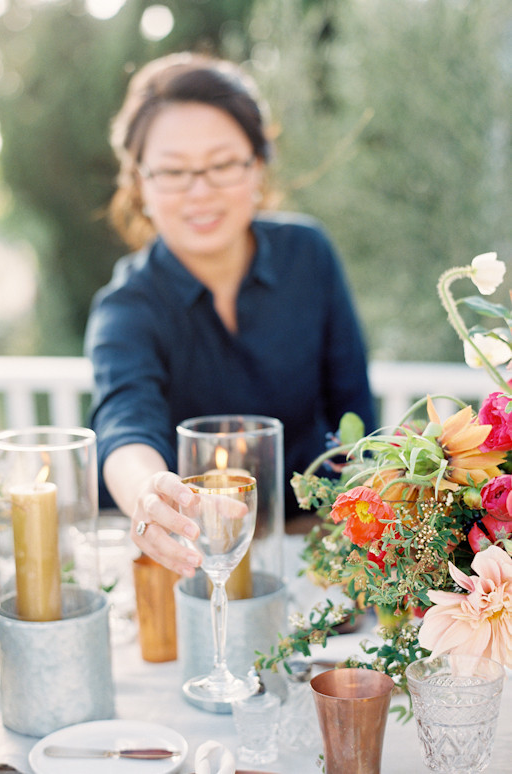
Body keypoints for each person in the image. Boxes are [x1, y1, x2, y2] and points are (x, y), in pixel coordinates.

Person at [84, 52, 375, 579]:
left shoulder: (308, 255)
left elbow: (355, 416)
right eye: (173, 171)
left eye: (222, 165)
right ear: (140, 184)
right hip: (193, 560)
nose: (201, 190)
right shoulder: (126, 306)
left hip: (322, 552)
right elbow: (123, 426)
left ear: (257, 166)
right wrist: (149, 491)